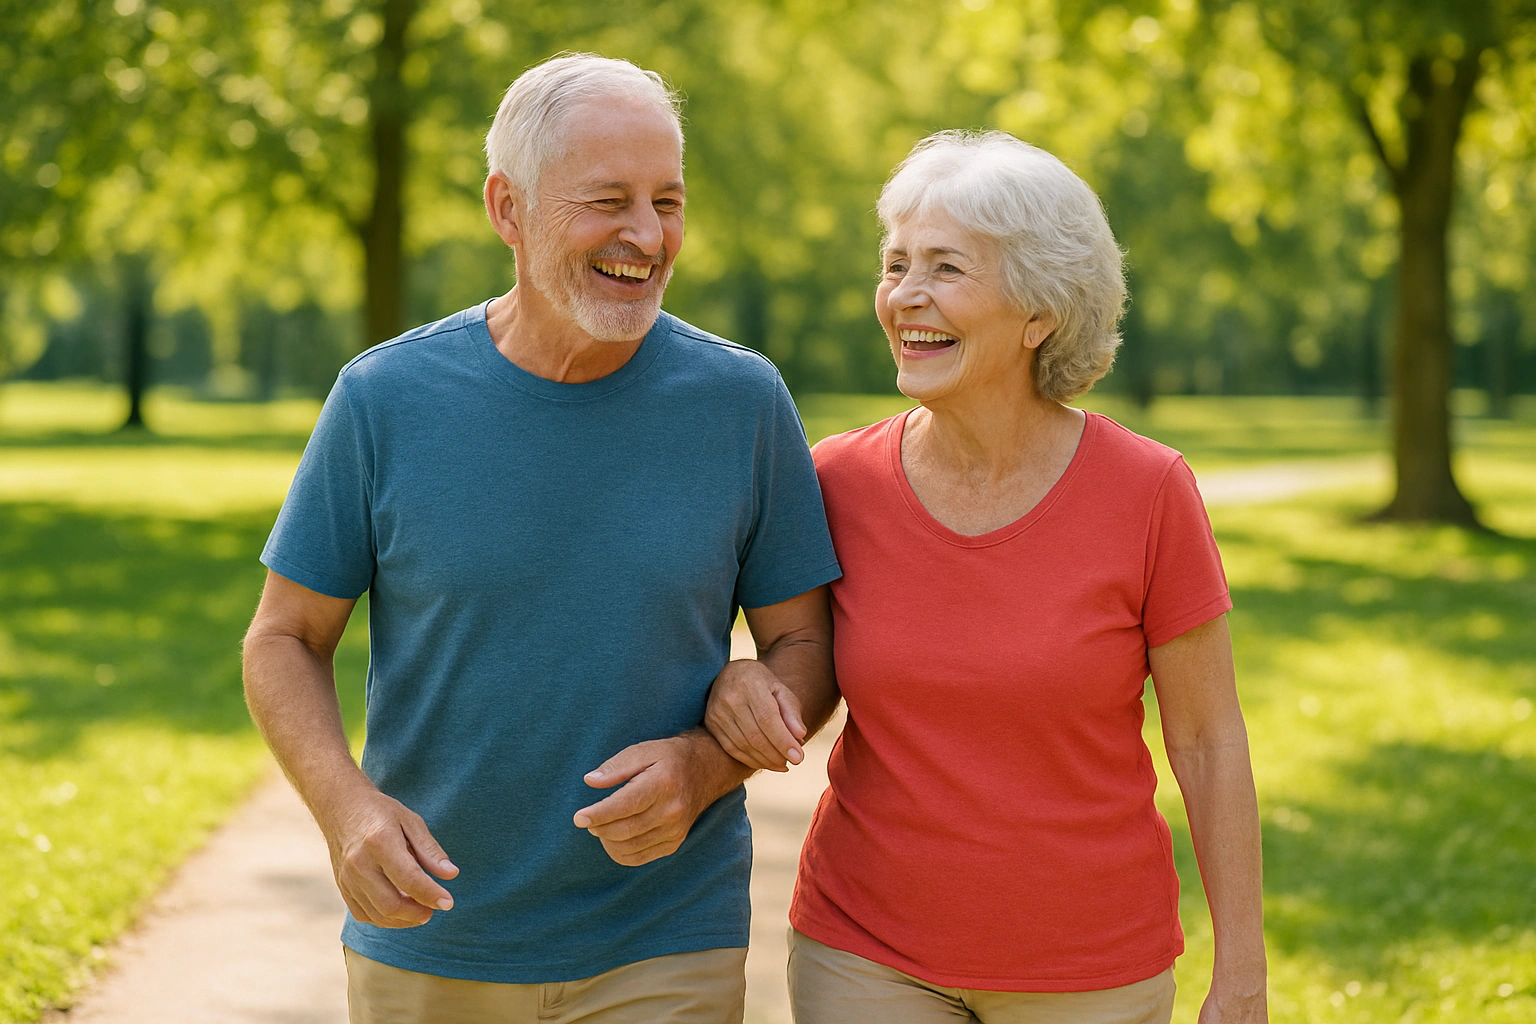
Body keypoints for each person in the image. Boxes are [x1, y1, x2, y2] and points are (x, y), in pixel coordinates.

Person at [241, 53, 842, 1024]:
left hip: (666, 935)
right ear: (507, 207)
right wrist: (346, 809)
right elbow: (282, 638)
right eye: (608, 200)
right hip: (433, 929)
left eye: (667, 200)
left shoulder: (740, 403)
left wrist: (706, 763)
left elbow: (807, 650)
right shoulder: (384, 400)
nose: (645, 237)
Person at [705, 131, 1268, 1024]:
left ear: (1039, 313)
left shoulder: (1150, 491)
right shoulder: (836, 481)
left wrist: (1242, 973)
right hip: (865, 952)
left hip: (1090, 966)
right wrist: (741, 680)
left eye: (946, 269)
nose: (906, 296)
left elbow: (1207, 740)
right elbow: (795, 659)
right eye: (895, 265)